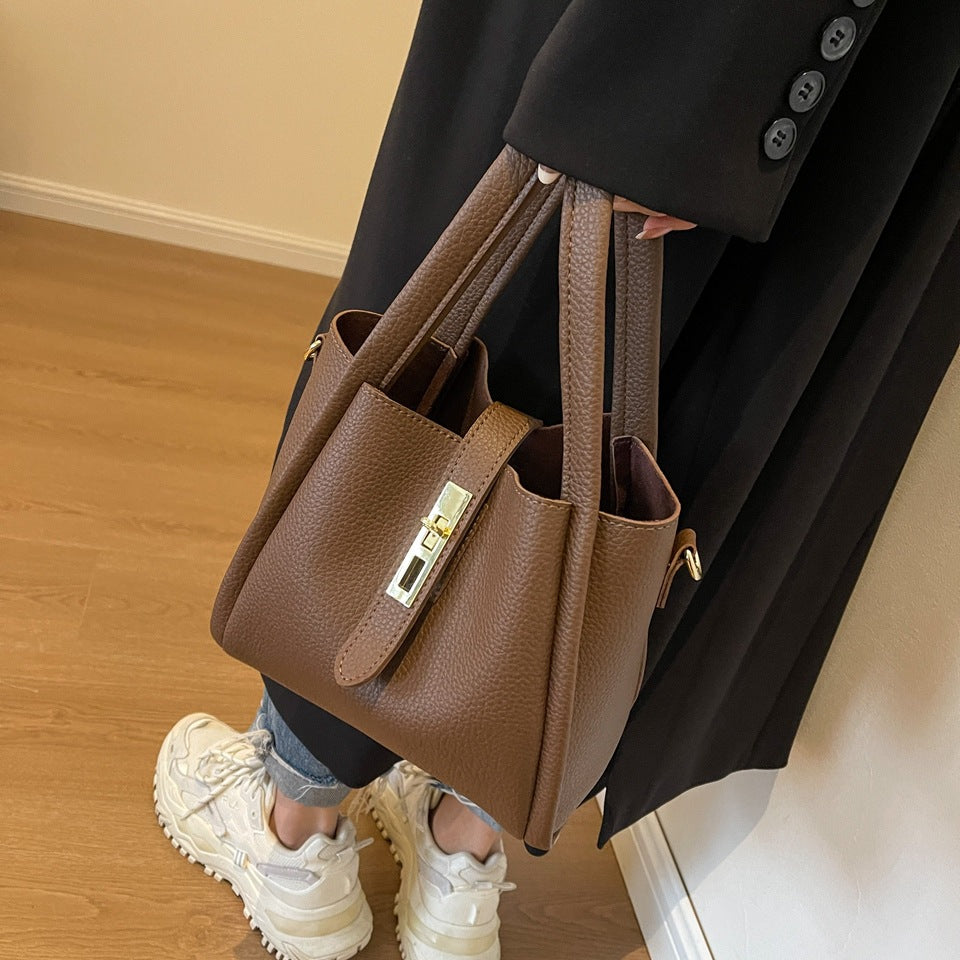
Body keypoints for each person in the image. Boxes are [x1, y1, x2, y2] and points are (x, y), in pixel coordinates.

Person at [156, 1, 960, 958]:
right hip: (898, 77)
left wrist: (651, 83)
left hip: (684, 35)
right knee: (673, 436)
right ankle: (464, 854)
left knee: (442, 386)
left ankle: (297, 832)